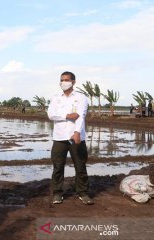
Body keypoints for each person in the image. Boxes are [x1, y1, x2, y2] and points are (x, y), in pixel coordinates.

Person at [47, 71, 93, 205]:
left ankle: (83, 192)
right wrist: (67, 115)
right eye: (61, 80)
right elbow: (51, 114)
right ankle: (57, 193)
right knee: (58, 166)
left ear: (73, 82)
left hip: (76, 137)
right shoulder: (55, 97)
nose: (63, 82)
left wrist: (77, 132)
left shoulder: (81, 97)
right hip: (59, 137)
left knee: (80, 165)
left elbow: (81, 115)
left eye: (66, 80)